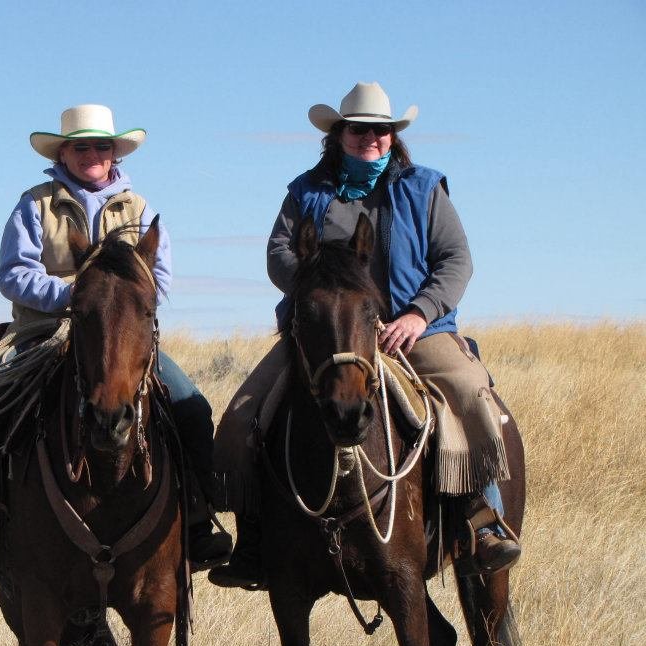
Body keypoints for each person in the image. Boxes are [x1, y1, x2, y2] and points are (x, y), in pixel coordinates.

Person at [208, 82, 521, 589]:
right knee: (245, 413)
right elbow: (278, 252)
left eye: (380, 130)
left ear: (393, 137)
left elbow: (456, 261)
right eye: (359, 130)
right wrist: (319, 295)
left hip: (412, 332)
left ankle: (482, 520)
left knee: (469, 395)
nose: (369, 138)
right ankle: (254, 543)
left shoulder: (424, 188)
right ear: (338, 135)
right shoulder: (306, 191)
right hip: (325, 334)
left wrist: (419, 313)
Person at [0, 104, 231, 581]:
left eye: (101, 146)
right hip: (43, 330)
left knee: (190, 407)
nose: (92, 154)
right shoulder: (36, 203)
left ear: (114, 152)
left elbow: (158, 279)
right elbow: (13, 273)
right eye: (82, 147)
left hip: (122, 337)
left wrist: (114, 303)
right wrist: (71, 296)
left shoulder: (138, 209)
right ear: (64, 152)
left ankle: (199, 516)